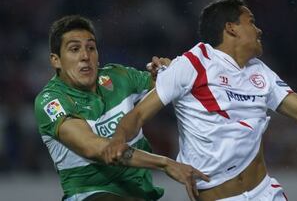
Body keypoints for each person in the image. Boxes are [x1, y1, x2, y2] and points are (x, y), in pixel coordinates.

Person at [103, 0, 297, 201]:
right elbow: (138, 114)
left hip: (264, 192)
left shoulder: (260, 72)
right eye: (251, 22)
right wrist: (119, 139)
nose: (259, 30)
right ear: (231, 28)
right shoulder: (192, 64)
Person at [34, 15, 208, 201]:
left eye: (91, 48)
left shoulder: (117, 76)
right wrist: (165, 163)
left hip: (139, 194)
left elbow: (170, 83)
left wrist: (167, 69)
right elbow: (98, 150)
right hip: (90, 194)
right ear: (56, 60)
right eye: (74, 49)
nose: (85, 56)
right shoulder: (51, 101)